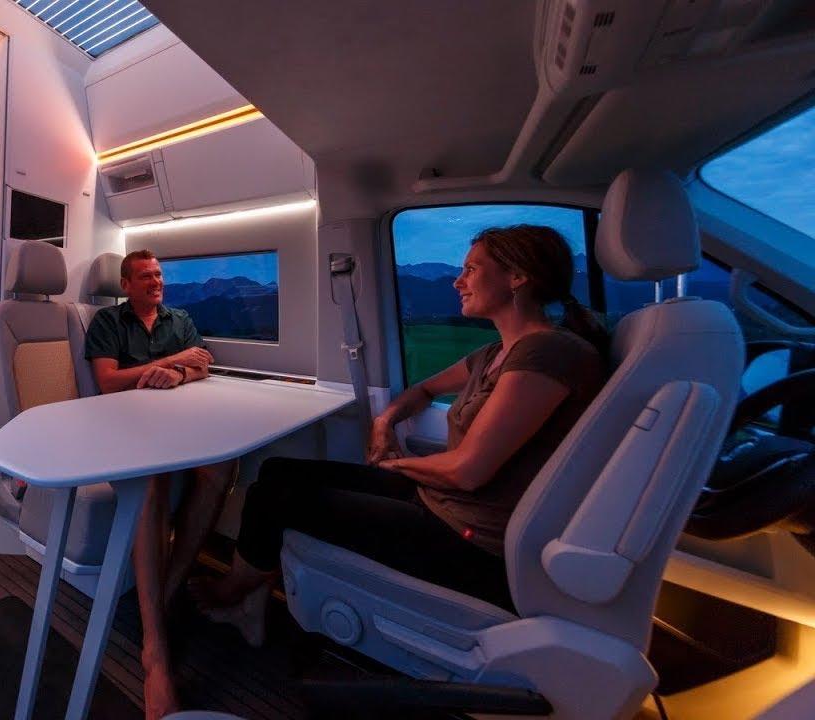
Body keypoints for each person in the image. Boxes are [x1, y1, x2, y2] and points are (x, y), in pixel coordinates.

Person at [192, 225, 609, 646]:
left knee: (276, 497)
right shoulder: (494, 354)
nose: (457, 281)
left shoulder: (547, 352)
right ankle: (250, 605)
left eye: (471, 269)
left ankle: (232, 594)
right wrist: (384, 422)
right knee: (277, 470)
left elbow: (467, 471)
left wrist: (394, 464)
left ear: (517, 276)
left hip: (467, 537)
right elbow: (423, 390)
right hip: (440, 499)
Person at [83, 248, 239, 720]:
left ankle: (164, 594)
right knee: (151, 481)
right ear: (126, 285)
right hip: (121, 430)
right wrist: (174, 361)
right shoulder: (107, 322)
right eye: (146, 276)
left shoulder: (181, 319)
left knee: (221, 469)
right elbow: (108, 382)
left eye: (159, 275)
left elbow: (202, 365)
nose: (156, 283)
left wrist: (178, 373)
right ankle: (155, 648)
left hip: (172, 426)